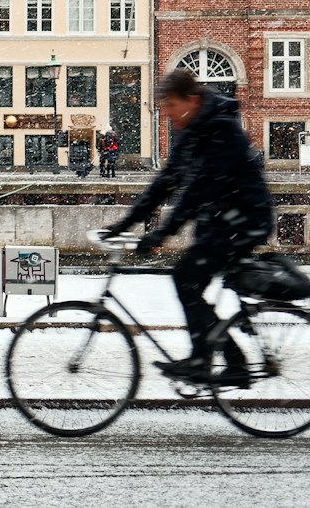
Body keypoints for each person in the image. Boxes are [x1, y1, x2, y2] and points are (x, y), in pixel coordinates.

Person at [102, 68, 273, 385]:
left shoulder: (221, 127)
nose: (167, 114)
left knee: (185, 280)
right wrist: (124, 224)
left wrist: (161, 234)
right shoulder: (193, 129)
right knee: (189, 283)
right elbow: (166, 182)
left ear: (191, 100)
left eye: (170, 107)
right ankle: (210, 359)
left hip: (245, 220)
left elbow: (199, 190)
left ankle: (222, 363)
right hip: (222, 221)